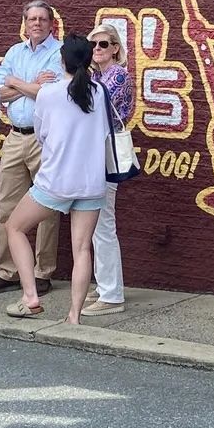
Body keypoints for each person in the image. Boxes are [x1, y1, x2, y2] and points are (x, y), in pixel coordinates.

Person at [2, 37, 113, 324]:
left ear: (62, 61)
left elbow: (41, 134)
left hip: (55, 180)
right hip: (91, 181)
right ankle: (74, 316)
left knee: (15, 227)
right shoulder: (99, 91)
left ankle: (30, 296)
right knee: (82, 249)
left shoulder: (49, 93)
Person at [0, 0, 63, 296]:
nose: (37, 23)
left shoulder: (59, 52)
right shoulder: (15, 52)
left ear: (51, 23)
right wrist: (27, 84)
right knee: (5, 203)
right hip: (15, 137)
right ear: (25, 22)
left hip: (46, 138)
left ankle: (43, 272)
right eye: (32, 19)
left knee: (47, 207)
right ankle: (10, 270)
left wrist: (16, 84)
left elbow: (49, 92)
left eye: (43, 19)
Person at [82, 24, 134, 316]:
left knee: (103, 224)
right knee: (96, 223)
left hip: (105, 153)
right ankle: (105, 285)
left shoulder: (118, 76)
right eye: (93, 45)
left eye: (103, 44)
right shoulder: (98, 76)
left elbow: (95, 108)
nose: (97, 50)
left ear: (115, 48)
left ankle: (112, 294)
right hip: (95, 152)